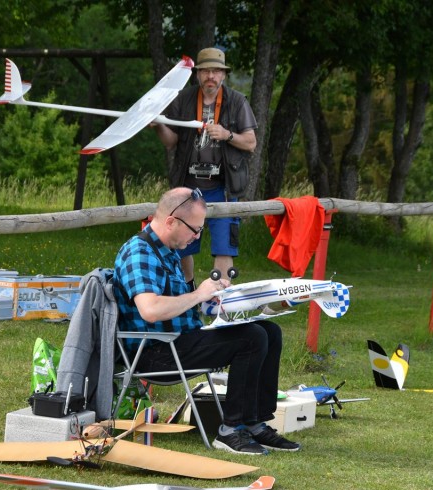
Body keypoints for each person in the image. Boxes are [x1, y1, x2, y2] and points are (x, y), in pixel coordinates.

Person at [113, 187, 300, 455]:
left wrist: (215, 298)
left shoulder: (166, 250)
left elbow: (179, 303)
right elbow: (150, 310)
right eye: (195, 229)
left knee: (269, 331)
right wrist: (198, 294)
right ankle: (231, 430)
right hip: (155, 352)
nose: (197, 236)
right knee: (252, 338)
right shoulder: (139, 252)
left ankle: (254, 423)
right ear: (171, 221)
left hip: (178, 341)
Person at [154, 47, 257, 288]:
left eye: (216, 71)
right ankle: (186, 292)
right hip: (188, 186)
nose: (211, 76)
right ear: (198, 74)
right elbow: (170, 141)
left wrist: (227, 134)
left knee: (224, 247)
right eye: (205, 71)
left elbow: (251, 143)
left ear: (223, 74)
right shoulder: (184, 99)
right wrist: (158, 124)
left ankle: (218, 299)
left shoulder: (237, 101)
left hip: (223, 187)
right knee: (181, 243)